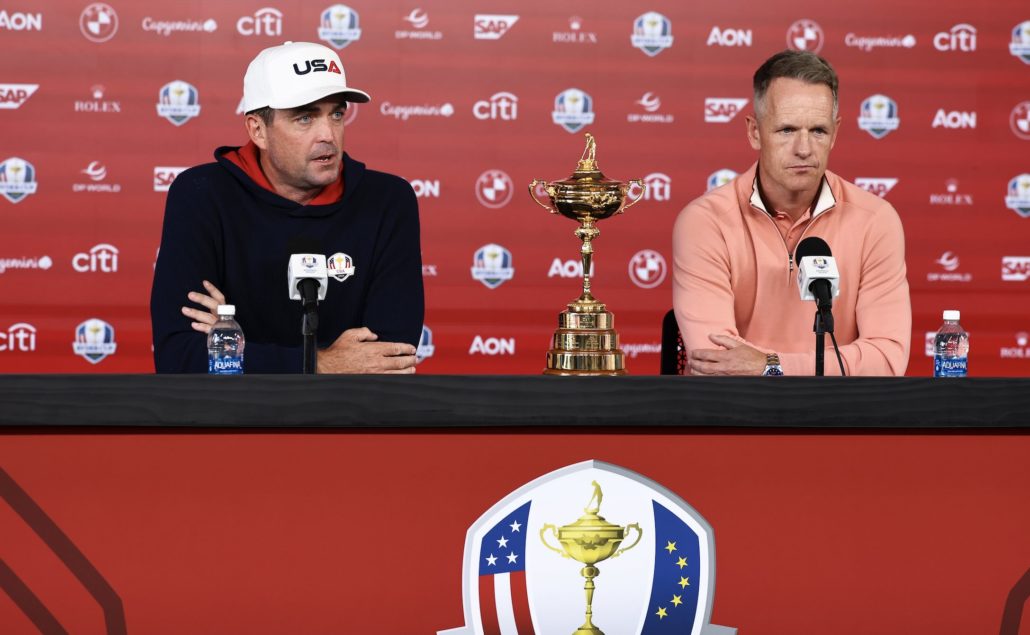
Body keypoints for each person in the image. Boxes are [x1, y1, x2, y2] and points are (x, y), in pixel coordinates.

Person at [151, 41, 423, 373]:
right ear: (258, 130)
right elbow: (179, 357)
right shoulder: (201, 195)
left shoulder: (388, 201)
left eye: (336, 114)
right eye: (305, 118)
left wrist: (233, 348)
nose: (328, 135)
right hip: (234, 421)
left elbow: (390, 359)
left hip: (344, 422)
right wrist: (320, 364)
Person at [672, 50, 911, 376]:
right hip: (738, 420)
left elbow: (885, 361)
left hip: (838, 421)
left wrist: (770, 366)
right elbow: (718, 363)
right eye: (786, 130)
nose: (804, 149)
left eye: (818, 131)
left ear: (835, 134)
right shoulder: (706, 222)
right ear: (754, 132)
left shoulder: (875, 221)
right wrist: (830, 367)